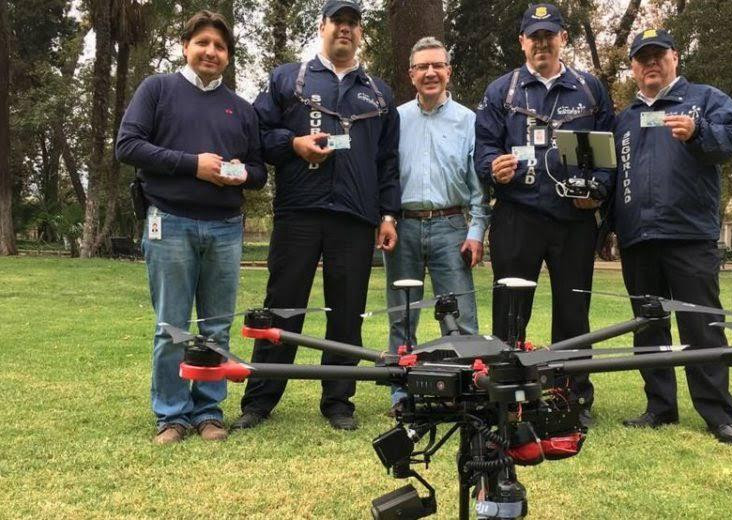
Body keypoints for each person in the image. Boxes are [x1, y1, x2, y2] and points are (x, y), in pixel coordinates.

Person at [234, 0, 400, 432]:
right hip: (299, 211)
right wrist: (293, 144)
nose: (345, 29)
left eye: (352, 23)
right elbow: (258, 134)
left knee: (347, 312)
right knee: (283, 307)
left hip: (355, 216)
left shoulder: (379, 93)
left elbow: (387, 161)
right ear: (322, 27)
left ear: (360, 32)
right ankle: (260, 400)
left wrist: (387, 215)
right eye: (337, 22)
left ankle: (339, 401)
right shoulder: (287, 79)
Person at [116, 10, 267, 445]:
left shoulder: (240, 108)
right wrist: (193, 165)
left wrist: (240, 173)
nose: (211, 51)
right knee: (172, 326)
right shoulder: (158, 89)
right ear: (186, 46)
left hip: (225, 228)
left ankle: (208, 411)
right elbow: (128, 145)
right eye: (203, 42)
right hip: (170, 222)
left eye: (220, 46)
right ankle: (171, 414)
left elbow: (259, 171)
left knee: (217, 327)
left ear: (227, 56)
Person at [474, 3, 615, 426]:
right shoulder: (503, 90)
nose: (541, 43)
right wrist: (492, 168)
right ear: (522, 42)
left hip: (573, 218)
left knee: (573, 313)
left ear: (563, 38)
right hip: (518, 214)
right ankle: (509, 397)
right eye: (533, 36)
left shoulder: (590, 89)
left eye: (548, 35)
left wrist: (599, 192)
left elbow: (608, 155)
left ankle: (572, 400)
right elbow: (482, 148)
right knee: (511, 309)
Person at [612, 28, 732, 445]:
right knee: (648, 326)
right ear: (634, 67)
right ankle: (659, 407)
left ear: (675, 58)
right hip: (638, 236)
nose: (650, 63)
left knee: (702, 325)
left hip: (689, 234)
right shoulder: (625, 118)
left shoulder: (705, 100)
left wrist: (698, 131)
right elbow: (615, 177)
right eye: (642, 57)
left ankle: (718, 414)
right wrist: (609, 229)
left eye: (658, 55)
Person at [384, 37, 490, 408]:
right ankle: (401, 389)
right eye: (422, 67)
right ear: (411, 74)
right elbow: (387, 176)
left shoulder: (468, 120)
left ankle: (465, 387)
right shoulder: (394, 119)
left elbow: (479, 187)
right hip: (404, 227)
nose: (430, 72)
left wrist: (476, 232)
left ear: (448, 71)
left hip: (451, 227)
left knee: (460, 315)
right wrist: (385, 219)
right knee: (402, 315)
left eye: (437, 65)